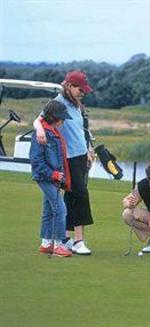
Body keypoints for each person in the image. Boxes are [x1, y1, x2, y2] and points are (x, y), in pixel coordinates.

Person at [33, 70, 95, 255]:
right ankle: (78, 241)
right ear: (68, 86)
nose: (82, 92)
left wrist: (88, 150)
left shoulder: (77, 104)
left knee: (71, 196)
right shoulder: (58, 102)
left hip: (80, 155)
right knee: (80, 195)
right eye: (79, 89)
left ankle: (66, 238)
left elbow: (80, 129)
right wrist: (40, 131)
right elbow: (38, 120)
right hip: (67, 157)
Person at [29, 100, 73, 257]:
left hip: (52, 177)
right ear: (54, 117)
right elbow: (36, 160)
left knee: (48, 209)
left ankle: (46, 243)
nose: (64, 120)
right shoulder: (42, 134)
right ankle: (58, 244)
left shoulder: (52, 131)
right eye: (62, 117)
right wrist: (53, 174)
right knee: (60, 209)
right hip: (45, 177)